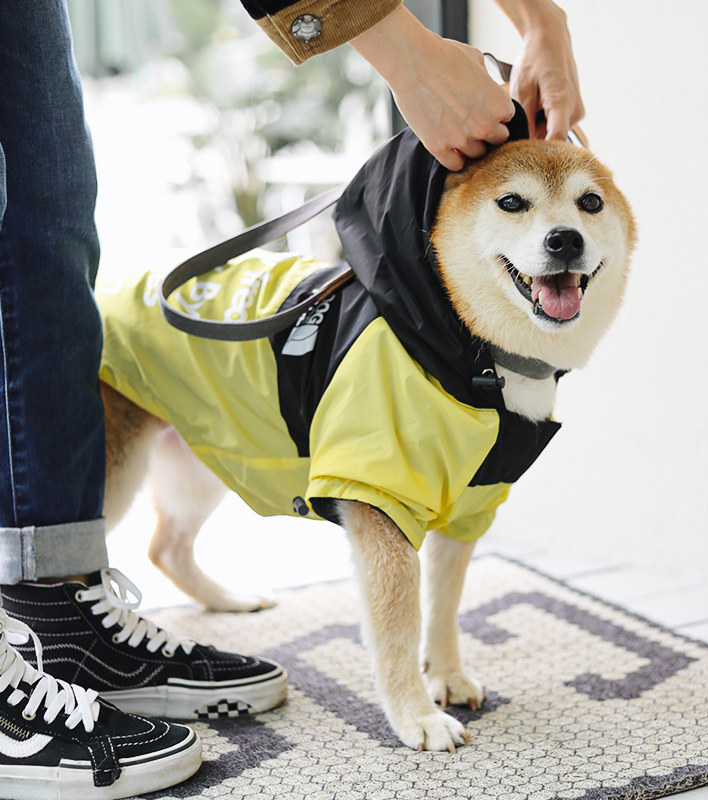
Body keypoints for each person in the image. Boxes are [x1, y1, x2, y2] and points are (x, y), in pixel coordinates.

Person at [0, 1, 583, 797]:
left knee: (47, 216)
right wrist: (405, 52)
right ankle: (38, 623)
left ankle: (62, 622)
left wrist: (540, 19)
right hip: (155, 340)